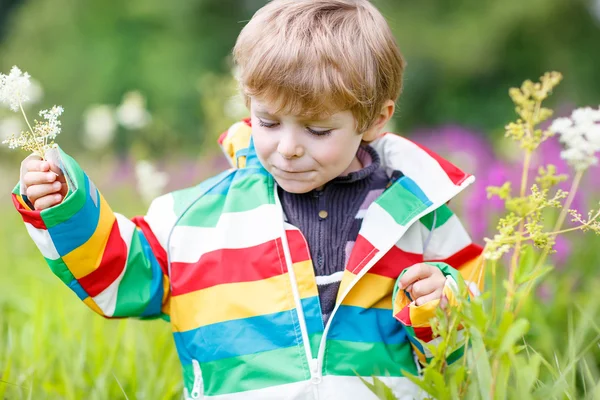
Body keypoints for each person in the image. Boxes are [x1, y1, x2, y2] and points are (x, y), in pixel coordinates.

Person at [12, 0, 483, 399]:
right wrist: (64, 206)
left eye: (318, 130)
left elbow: (477, 330)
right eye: (269, 122)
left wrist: (444, 301)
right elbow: (117, 274)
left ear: (376, 120)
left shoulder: (418, 212)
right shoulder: (198, 219)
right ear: (247, 103)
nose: (289, 146)